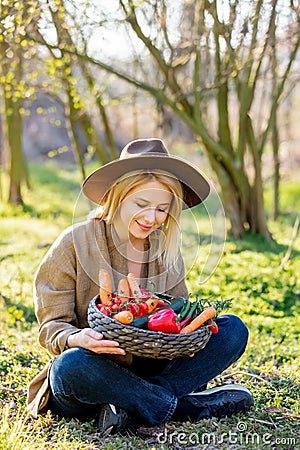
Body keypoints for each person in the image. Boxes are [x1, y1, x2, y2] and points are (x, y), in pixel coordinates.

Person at [27, 138, 253, 435]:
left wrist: (189, 339)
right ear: (118, 197)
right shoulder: (73, 243)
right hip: (94, 370)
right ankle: (180, 407)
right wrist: (77, 338)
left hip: (153, 367)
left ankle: (132, 404)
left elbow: (180, 313)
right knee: (68, 368)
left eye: (162, 209)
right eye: (141, 204)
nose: (151, 218)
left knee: (233, 330)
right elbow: (51, 328)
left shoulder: (165, 251)